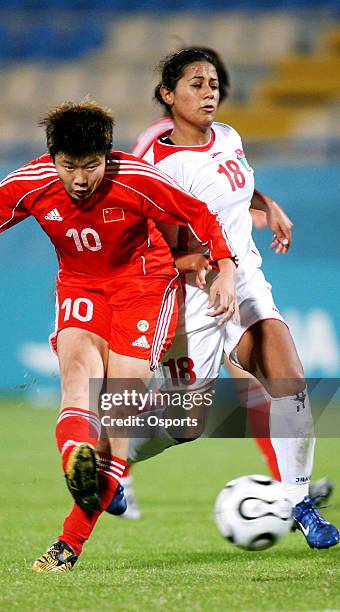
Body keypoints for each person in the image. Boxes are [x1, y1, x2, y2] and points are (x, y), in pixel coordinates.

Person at [0, 100, 239, 572]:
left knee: (118, 416)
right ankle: (77, 461)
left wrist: (227, 270)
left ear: (107, 156)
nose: (78, 179)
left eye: (90, 166)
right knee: (77, 382)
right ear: (51, 157)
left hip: (145, 289)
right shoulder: (30, 185)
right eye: (68, 166)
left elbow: (200, 215)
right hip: (81, 287)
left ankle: (70, 540)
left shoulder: (137, 179)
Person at [110, 48, 339, 549]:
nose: (209, 91)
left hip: (244, 280)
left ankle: (298, 501)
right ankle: (114, 462)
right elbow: (164, 248)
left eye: (213, 82)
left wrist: (267, 204)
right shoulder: (157, 165)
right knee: (184, 424)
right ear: (168, 96)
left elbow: (233, 184)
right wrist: (210, 272)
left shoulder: (229, 136)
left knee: (289, 377)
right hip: (192, 298)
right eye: (195, 84)